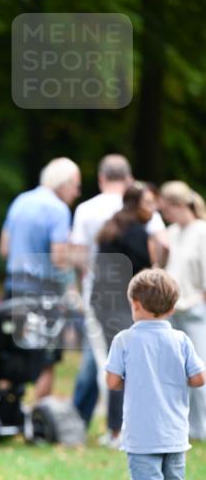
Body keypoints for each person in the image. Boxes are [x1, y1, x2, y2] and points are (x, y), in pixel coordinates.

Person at [105, 269, 205, 480]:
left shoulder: (124, 339)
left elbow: (112, 382)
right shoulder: (181, 339)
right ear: (172, 308)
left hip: (142, 433)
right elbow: (198, 378)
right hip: (175, 431)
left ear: (135, 304)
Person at [70, 155, 165, 427]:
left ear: (101, 178)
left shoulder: (87, 210)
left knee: (101, 357)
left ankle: (84, 418)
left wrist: (83, 281)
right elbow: (162, 244)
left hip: (98, 293)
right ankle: (113, 423)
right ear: (128, 178)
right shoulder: (140, 213)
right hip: (132, 299)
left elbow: (77, 255)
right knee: (117, 360)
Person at [0, 157, 81, 399]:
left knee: (13, 350)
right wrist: (71, 287)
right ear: (63, 183)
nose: (77, 192)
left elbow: (5, 248)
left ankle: (5, 410)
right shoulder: (58, 210)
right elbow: (59, 257)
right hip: (43, 292)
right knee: (46, 356)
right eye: (75, 185)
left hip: (14, 288)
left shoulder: (20, 201)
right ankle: (39, 415)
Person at [91, 181, 157, 447]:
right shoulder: (136, 232)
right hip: (121, 305)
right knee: (128, 367)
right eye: (149, 203)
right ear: (136, 204)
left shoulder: (113, 226)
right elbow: (146, 273)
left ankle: (114, 429)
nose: (153, 209)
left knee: (117, 364)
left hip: (102, 303)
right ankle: (121, 431)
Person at [154, 181, 206, 440]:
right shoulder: (171, 233)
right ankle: (182, 427)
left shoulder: (201, 231)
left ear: (179, 205)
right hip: (172, 312)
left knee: (198, 370)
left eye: (167, 210)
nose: (165, 215)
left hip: (195, 310)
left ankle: (203, 426)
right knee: (174, 374)